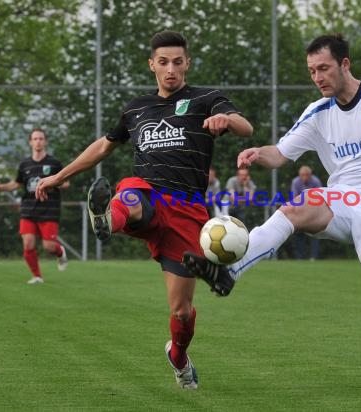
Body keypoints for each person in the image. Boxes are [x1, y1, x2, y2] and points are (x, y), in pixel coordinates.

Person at [184, 33, 361, 396]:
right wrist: (256, 154)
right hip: (340, 199)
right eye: (312, 71)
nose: (318, 77)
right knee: (294, 207)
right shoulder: (317, 112)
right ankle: (230, 270)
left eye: (324, 68)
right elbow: (280, 154)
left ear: (345, 64)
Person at [35, 31, 253, 389]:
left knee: (181, 312)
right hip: (148, 194)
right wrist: (59, 176)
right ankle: (107, 219)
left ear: (187, 63)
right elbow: (103, 147)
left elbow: (246, 126)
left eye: (178, 62)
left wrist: (226, 120)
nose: (171, 69)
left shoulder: (205, 99)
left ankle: (179, 357)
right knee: (130, 194)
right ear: (152, 64)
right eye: (163, 62)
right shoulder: (137, 108)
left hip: (187, 211)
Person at [0, 128, 69, 284]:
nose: (38, 141)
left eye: (41, 138)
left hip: (49, 210)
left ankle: (60, 252)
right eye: (35, 139)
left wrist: (52, 183)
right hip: (28, 209)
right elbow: (16, 184)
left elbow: (66, 183)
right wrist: (0, 187)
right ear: (30, 142)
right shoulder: (24, 164)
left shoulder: (54, 163)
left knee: (49, 247)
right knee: (28, 244)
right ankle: (37, 276)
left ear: (45, 141)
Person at [291, 165, 322, 260]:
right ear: (300, 175)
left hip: (314, 212)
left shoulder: (316, 182)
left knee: (315, 235)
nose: (304, 177)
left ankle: (314, 257)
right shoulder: (295, 182)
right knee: (299, 235)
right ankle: (299, 257)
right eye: (302, 175)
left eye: (306, 175)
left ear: (310, 175)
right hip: (300, 211)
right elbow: (294, 199)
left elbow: (320, 198)